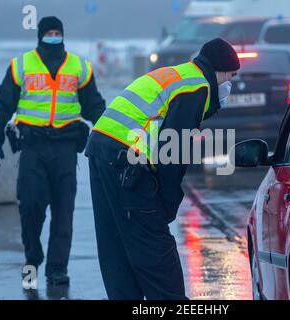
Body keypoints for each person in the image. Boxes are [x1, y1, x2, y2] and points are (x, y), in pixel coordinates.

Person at [85, 38, 240, 299]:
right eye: (231, 76)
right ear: (219, 70)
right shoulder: (197, 88)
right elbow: (173, 154)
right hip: (126, 159)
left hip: (102, 149)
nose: (231, 84)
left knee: (116, 245)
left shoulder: (180, 75)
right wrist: (166, 205)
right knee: (154, 248)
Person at [0, 16, 106, 285]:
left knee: (64, 211)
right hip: (32, 147)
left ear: (62, 35)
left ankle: (57, 268)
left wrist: (114, 135)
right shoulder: (22, 65)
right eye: (49, 32)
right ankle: (33, 255)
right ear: (39, 35)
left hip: (65, 147)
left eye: (57, 32)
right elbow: (2, 105)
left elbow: (94, 107)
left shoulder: (79, 67)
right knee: (30, 206)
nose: (53, 36)